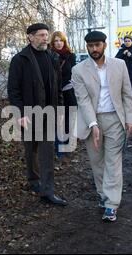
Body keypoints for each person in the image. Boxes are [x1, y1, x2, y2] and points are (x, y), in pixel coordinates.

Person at [71, 31, 132, 222]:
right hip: (92, 120)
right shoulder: (78, 70)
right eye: (90, 46)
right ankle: (103, 194)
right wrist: (93, 124)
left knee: (113, 161)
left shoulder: (119, 65)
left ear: (105, 45)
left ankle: (111, 204)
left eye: (98, 45)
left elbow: (127, 95)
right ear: (87, 47)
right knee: (97, 162)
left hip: (115, 119)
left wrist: (129, 119)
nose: (94, 49)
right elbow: (82, 100)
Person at [7, 23, 67, 206]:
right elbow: (13, 89)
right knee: (31, 150)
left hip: (48, 113)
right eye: (41, 35)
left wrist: (60, 110)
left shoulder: (51, 57)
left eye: (46, 35)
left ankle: (47, 191)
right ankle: (33, 179)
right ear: (30, 37)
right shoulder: (20, 59)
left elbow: (57, 87)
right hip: (29, 114)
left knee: (47, 152)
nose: (45, 38)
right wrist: (20, 113)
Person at [50, 31, 77, 159]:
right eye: (56, 41)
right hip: (54, 94)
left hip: (67, 92)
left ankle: (66, 145)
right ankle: (58, 149)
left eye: (60, 40)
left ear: (64, 42)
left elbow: (71, 74)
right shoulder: (49, 55)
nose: (58, 43)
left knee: (69, 120)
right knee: (57, 121)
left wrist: (59, 85)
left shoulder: (70, 56)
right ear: (52, 43)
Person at [115, 35, 132, 105]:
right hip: (122, 75)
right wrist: (123, 54)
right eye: (126, 41)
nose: (127, 42)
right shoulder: (121, 50)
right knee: (123, 93)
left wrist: (130, 56)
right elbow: (116, 59)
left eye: (129, 41)